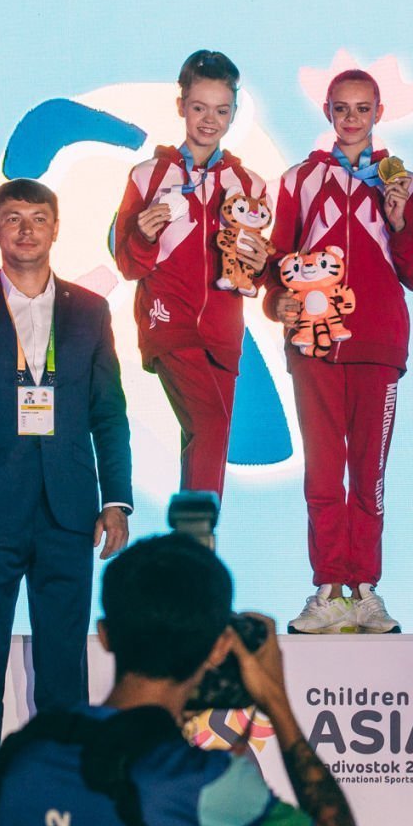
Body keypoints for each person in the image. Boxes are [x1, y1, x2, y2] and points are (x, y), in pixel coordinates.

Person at [0, 533, 371, 826]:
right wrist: (276, 701)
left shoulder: (25, 755)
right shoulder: (205, 785)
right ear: (220, 647)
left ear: (105, 635)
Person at [0, 176, 134, 826]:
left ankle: (61, 803)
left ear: (55, 228)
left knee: (63, 671)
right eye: (12, 218)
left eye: (37, 218)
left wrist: (117, 499)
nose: (25, 229)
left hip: (69, 513)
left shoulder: (90, 311)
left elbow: (108, 411)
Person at [264, 69, 413, 634]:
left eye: (363, 108)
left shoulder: (402, 181)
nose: (352, 119)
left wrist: (400, 219)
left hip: (379, 344)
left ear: (379, 112)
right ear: (328, 112)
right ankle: (328, 588)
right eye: (342, 108)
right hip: (313, 344)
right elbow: (277, 261)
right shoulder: (300, 178)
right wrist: (277, 304)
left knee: (368, 472)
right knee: (323, 470)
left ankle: (365, 589)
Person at [113, 50, 271, 500]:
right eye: (199, 107)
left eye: (221, 110)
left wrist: (260, 264)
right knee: (211, 425)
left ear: (234, 113)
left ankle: (194, 538)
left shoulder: (250, 185)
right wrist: (143, 236)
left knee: (206, 443)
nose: (209, 120)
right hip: (168, 322)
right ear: (181, 105)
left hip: (223, 335)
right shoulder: (148, 176)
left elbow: (252, 272)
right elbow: (129, 265)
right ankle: (198, 535)